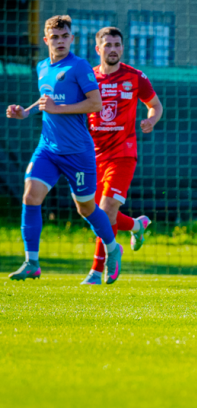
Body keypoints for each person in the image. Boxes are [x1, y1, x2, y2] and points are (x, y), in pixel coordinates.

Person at [5, 15, 123, 282]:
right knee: (30, 196)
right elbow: (47, 98)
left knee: (85, 208)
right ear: (46, 40)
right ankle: (32, 262)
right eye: (54, 37)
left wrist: (60, 109)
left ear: (72, 39)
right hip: (47, 148)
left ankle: (113, 249)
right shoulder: (41, 67)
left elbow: (96, 104)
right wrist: (26, 111)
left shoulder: (79, 67)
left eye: (64, 36)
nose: (60, 41)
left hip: (77, 152)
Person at [81, 27, 163, 285]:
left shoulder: (135, 77)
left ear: (122, 48)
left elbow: (155, 105)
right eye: (107, 45)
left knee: (105, 212)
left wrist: (151, 120)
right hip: (91, 156)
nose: (113, 49)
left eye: (117, 44)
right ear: (98, 49)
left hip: (123, 154)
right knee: (92, 213)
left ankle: (97, 271)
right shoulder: (87, 78)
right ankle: (137, 226)